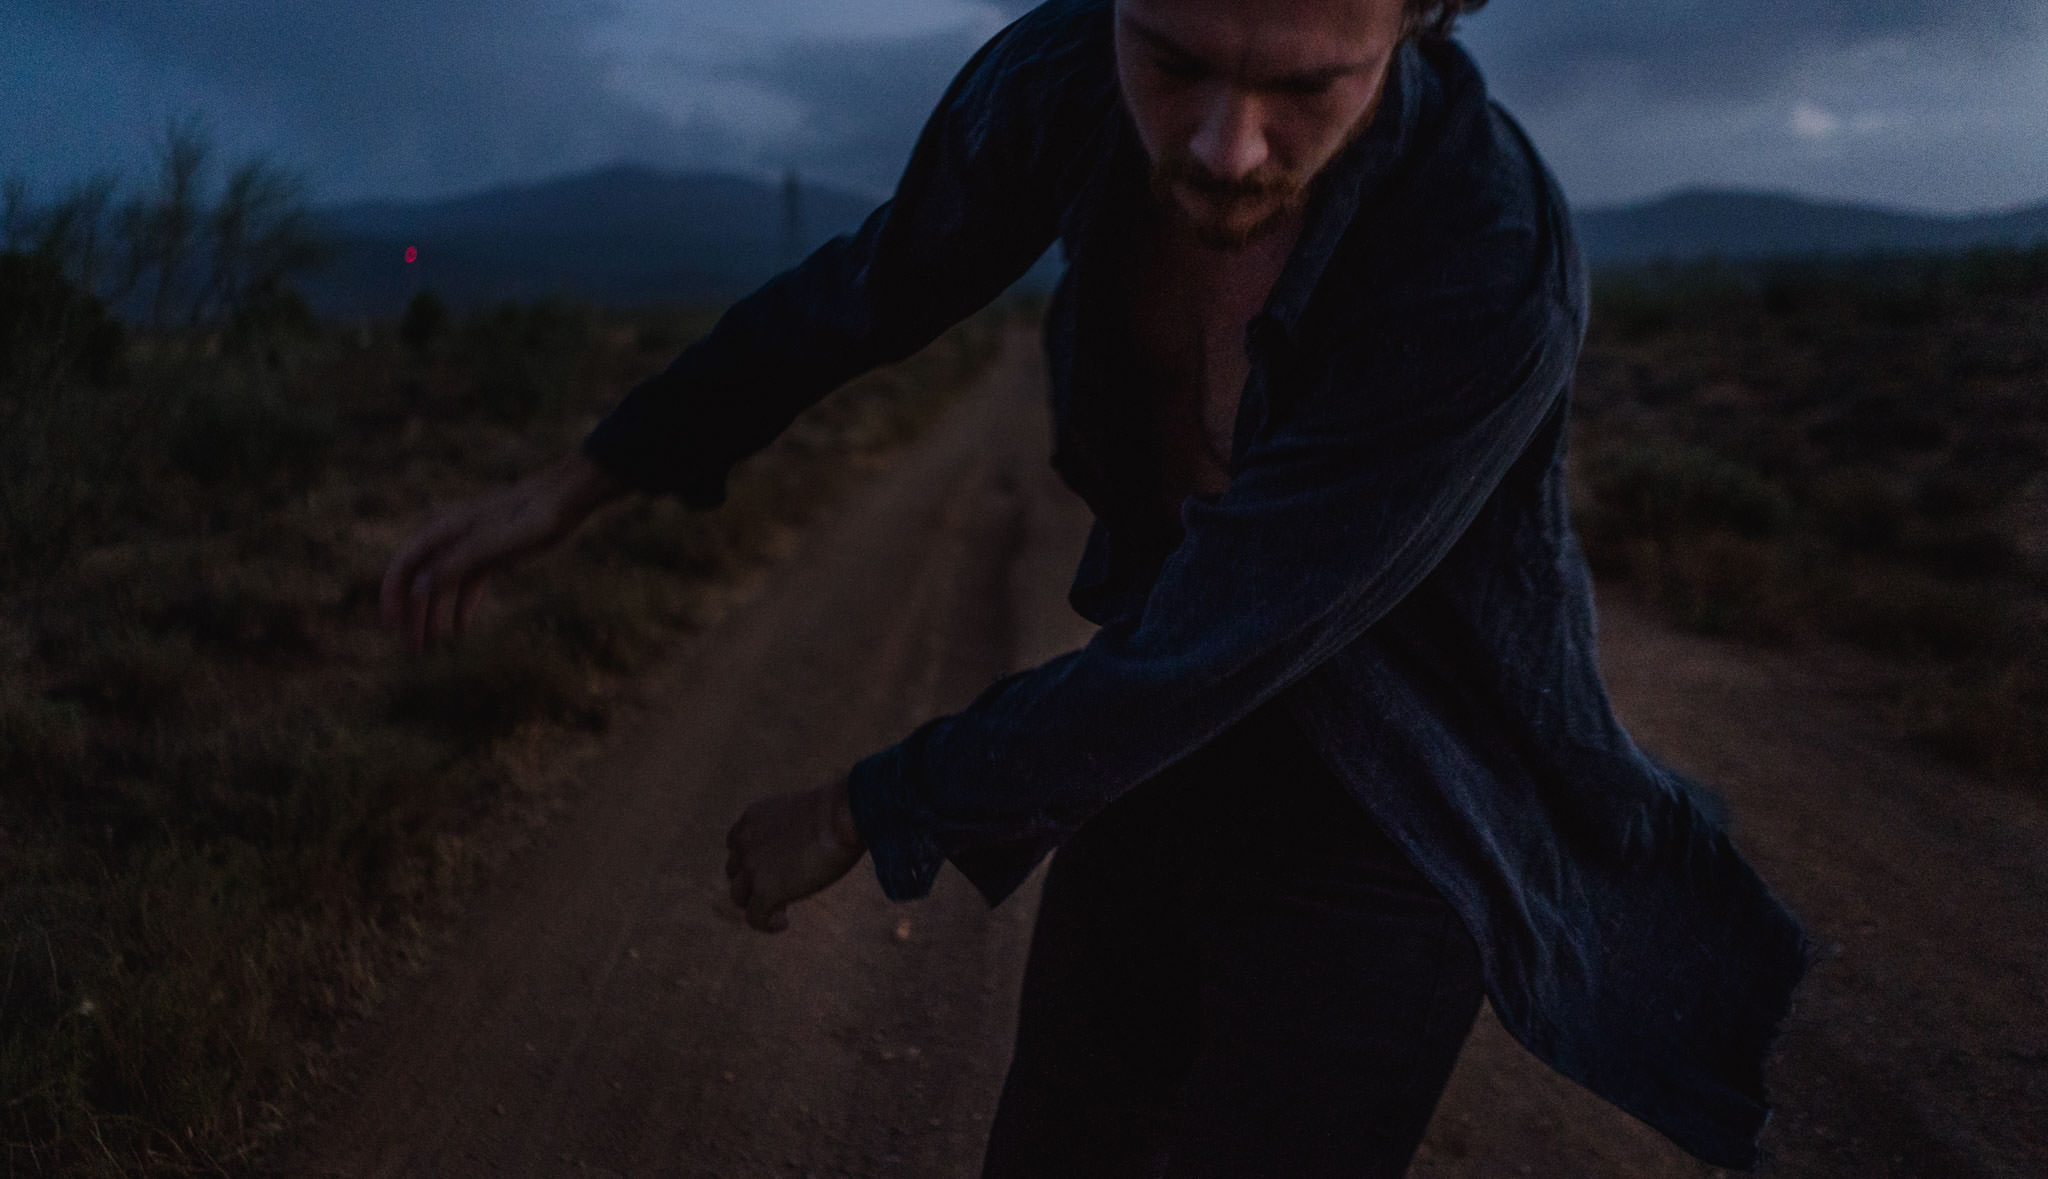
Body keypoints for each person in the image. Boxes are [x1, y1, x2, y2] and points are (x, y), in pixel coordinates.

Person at [381, 0, 1810, 1173]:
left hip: (1402, 811)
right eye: (1173, 57)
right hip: (1159, 753)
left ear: (1424, 23)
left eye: (1308, 85)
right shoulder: (1061, 81)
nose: (1224, 146)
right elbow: (862, 291)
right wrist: (576, 483)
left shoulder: (1485, 251)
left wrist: (870, 802)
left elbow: (1212, 645)